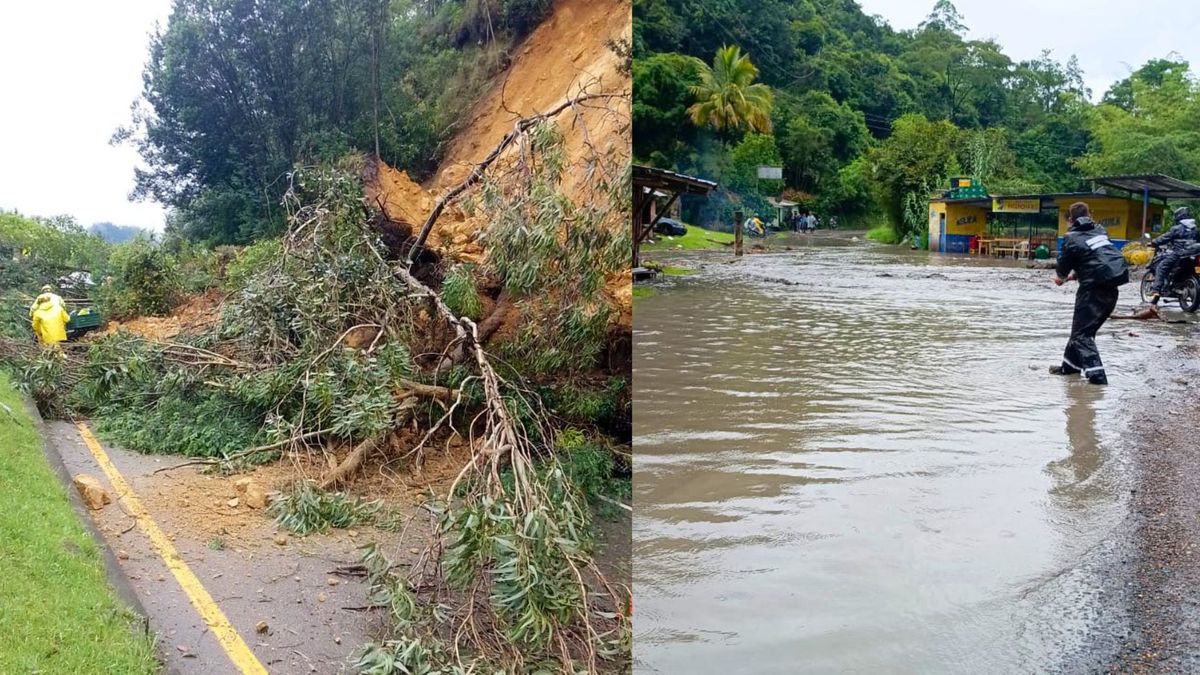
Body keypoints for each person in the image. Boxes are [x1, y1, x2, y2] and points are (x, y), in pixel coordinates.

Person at [1049, 202, 1129, 385]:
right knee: (1080, 332)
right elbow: (1096, 259)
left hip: (1093, 292)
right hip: (1111, 289)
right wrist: (1074, 276)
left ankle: (1097, 380)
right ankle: (1069, 369)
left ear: (1070, 220)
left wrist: (1061, 278)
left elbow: (1062, 268)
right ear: (1090, 215)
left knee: (1081, 335)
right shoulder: (1100, 230)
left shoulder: (1071, 237)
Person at [1147, 206, 1199, 305]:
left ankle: (1156, 291)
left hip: (1179, 254)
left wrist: (1153, 242)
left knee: (1162, 267)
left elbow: (1165, 237)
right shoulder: (1195, 229)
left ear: (1179, 216)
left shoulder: (1177, 228)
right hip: (1193, 254)